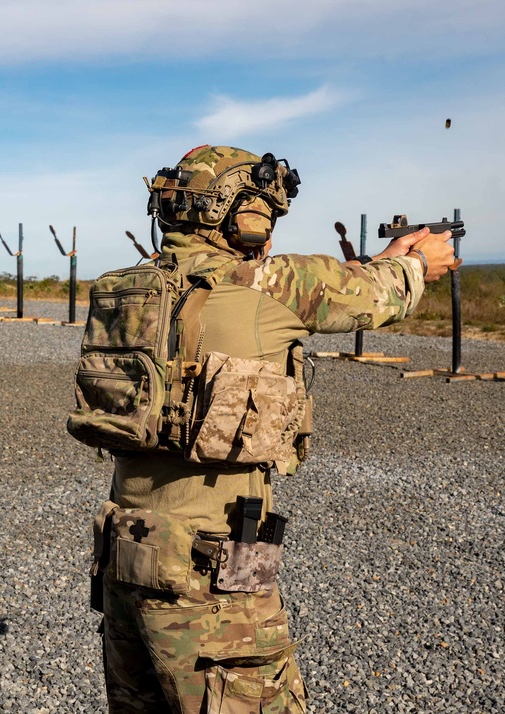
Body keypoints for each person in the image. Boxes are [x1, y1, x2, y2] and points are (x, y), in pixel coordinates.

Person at [77, 145, 457, 713]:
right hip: (213, 574)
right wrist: (417, 260)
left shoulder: (125, 290)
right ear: (244, 214)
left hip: (126, 555)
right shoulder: (268, 286)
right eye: (266, 214)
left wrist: (385, 255)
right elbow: (378, 296)